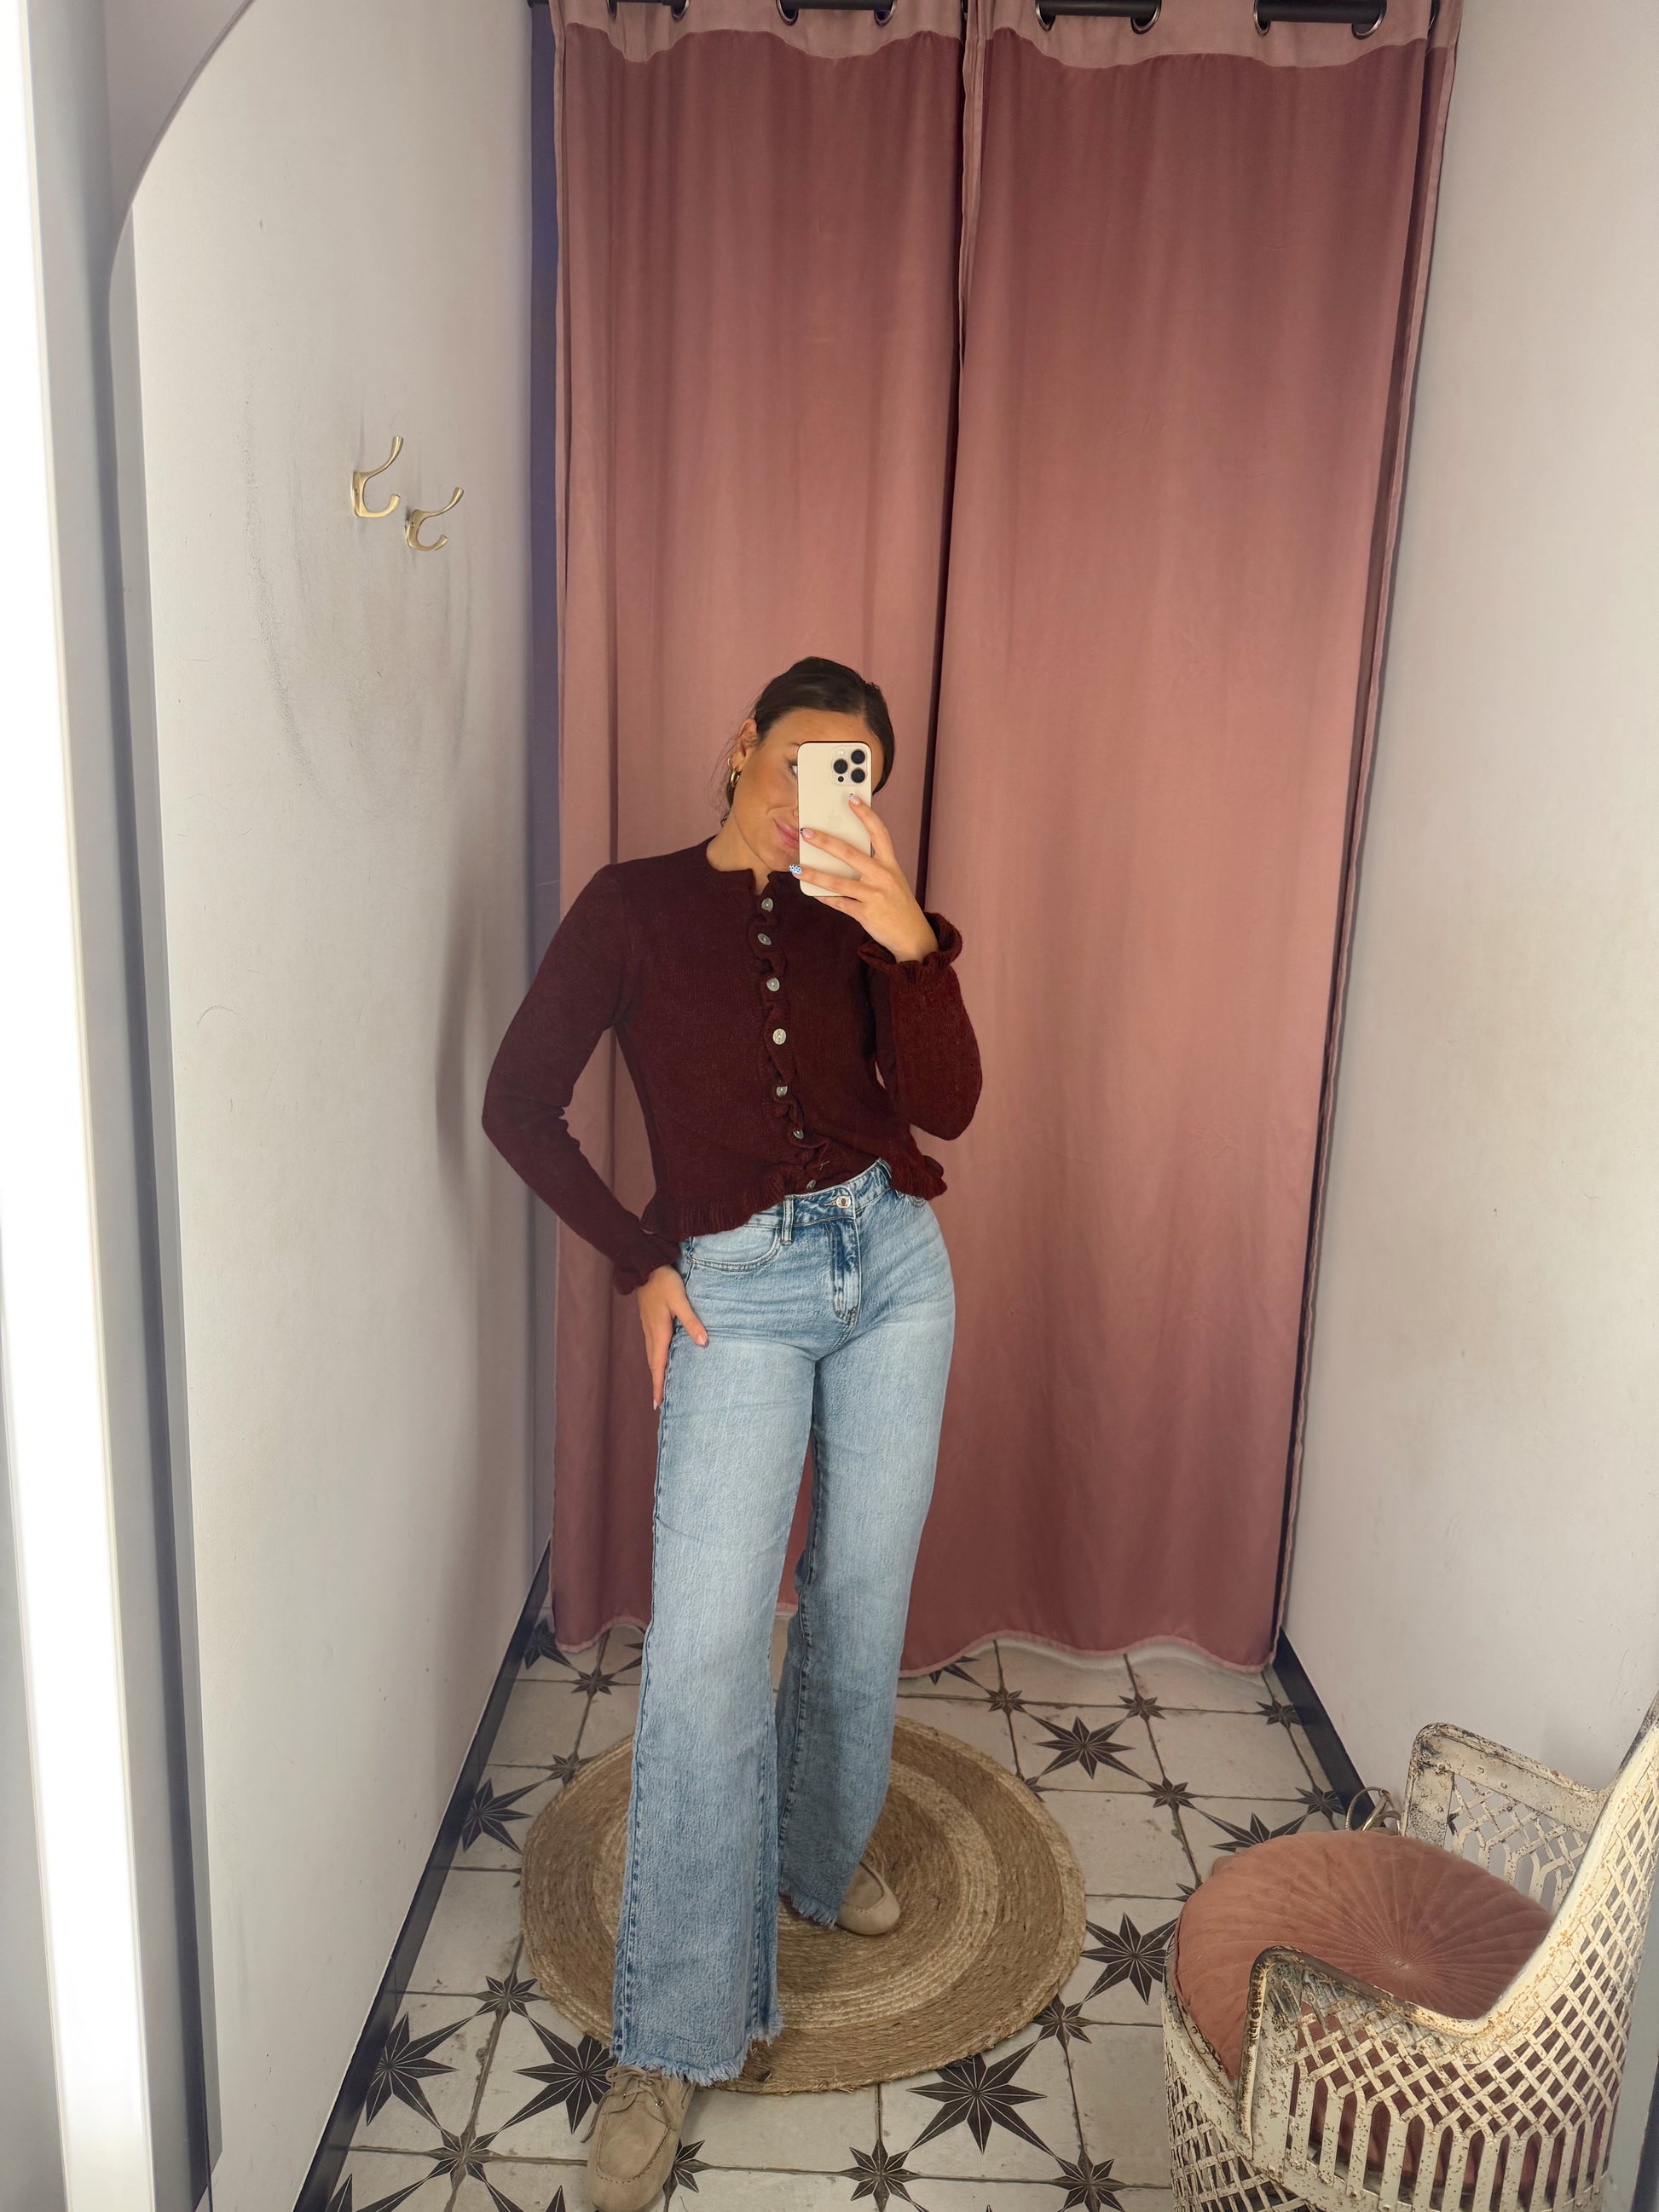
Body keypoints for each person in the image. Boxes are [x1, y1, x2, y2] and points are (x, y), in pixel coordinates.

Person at [481, 656, 981, 2212]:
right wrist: (643, 1256)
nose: (809, 801)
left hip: (893, 1269)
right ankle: (672, 2037)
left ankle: (815, 1867)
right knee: (704, 1655)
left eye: (850, 779)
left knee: (859, 1598)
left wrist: (910, 939)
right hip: (737, 1292)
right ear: (740, 746)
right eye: (796, 764)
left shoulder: (862, 912)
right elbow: (516, 1101)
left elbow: (948, 1107)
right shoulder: (631, 905)